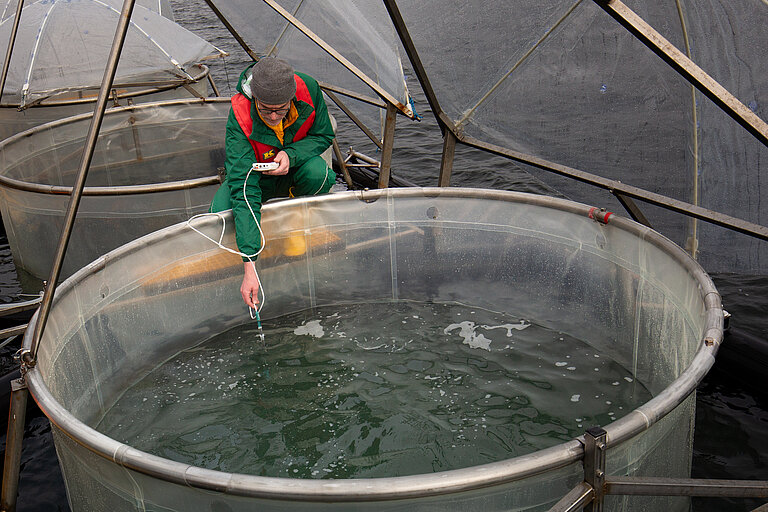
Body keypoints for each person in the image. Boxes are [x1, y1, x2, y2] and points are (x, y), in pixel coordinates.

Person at [210, 58, 335, 309]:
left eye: (281, 109)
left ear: (291, 99)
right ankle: (250, 245)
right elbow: (244, 187)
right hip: (257, 177)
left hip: (292, 171)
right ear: (255, 98)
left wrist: (292, 154)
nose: (275, 116)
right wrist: (249, 264)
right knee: (220, 211)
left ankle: (295, 220)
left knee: (319, 174)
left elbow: (323, 134)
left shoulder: (309, 89)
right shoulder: (240, 113)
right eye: (266, 110)